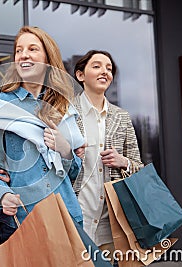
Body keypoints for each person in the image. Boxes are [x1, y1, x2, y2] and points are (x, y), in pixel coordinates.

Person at [0, 26, 85, 243]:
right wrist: (2, 195)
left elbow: (74, 173)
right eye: (19, 50)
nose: (24, 54)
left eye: (32, 49)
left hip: (66, 215)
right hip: (22, 219)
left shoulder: (64, 106)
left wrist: (65, 150)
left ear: (47, 58)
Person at [72, 50, 144, 260]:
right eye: (96, 66)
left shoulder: (122, 117)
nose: (105, 71)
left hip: (110, 223)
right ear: (80, 75)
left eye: (109, 68)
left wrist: (123, 162)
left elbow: (138, 168)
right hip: (76, 217)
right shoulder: (66, 111)